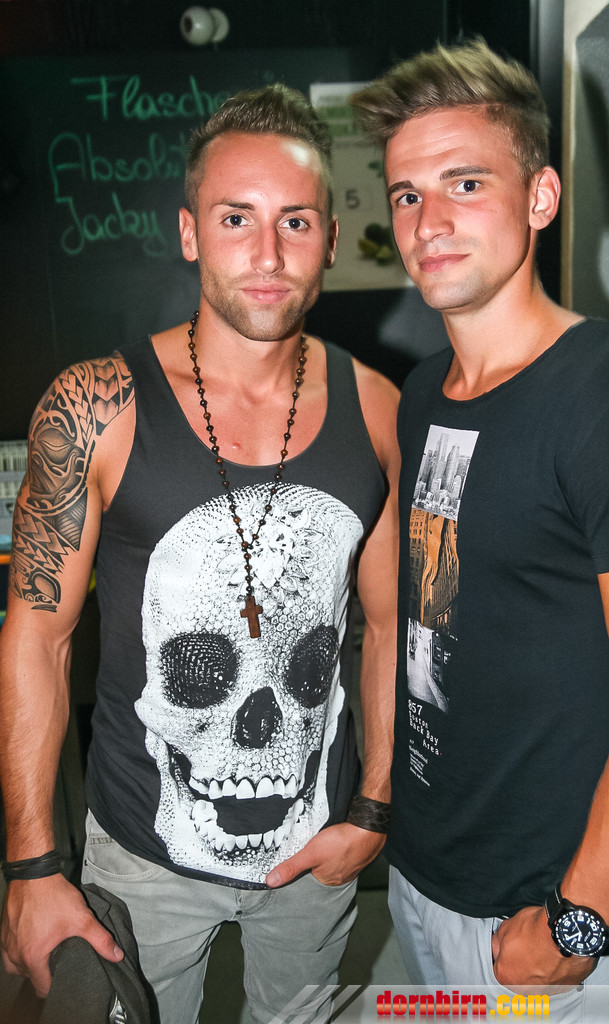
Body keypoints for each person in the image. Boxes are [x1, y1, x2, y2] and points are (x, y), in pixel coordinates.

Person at [0, 84, 400, 1024]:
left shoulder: (380, 410)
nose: (267, 254)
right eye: (235, 218)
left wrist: (372, 811)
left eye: (294, 221)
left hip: (316, 855)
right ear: (189, 234)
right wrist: (31, 868)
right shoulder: (96, 408)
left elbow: (388, 631)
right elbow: (35, 640)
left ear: (331, 239)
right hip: (142, 857)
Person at [350, 39, 609, 1020]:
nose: (429, 222)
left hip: (537, 914)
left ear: (540, 197)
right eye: (406, 194)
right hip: (421, 879)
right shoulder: (424, 394)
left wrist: (578, 921)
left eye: (464, 183)